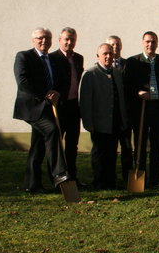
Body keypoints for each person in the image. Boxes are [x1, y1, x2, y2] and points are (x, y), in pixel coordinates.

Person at [13, 27, 70, 193]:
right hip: (31, 107)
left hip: (47, 107)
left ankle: (33, 184)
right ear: (33, 40)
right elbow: (23, 82)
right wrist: (45, 94)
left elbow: (62, 81)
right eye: (40, 38)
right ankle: (59, 173)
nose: (44, 41)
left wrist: (57, 92)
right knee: (52, 131)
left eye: (47, 38)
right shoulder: (24, 56)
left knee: (37, 145)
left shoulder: (52, 60)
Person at [125, 31, 159, 188]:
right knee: (139, 144)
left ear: (157, 43)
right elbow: (127, 84)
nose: (150, 44)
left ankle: (154, 179)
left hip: (158, 109)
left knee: (156, 146)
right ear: (142, 43)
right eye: (147, 41)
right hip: (140, 110)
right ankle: (140, 176)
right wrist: (138, 92)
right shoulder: (133, 62)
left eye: (153, 42)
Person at [79, 43, 129, 189]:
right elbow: (85, 101)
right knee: (100, 153)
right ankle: (99, 181)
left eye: (110, 54)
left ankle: (110, 180)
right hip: (98, 122)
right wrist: (88, 123)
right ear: (98, 56)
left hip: (115, 121)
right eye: (105, 54)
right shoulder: (90, 74)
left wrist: (124, 119)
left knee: (112, 152)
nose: (108, 57)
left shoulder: (117, 73)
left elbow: (121, 98)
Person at [49, 27, 84, 185]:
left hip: (73, 106)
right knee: (57, 143)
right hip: (58, 106)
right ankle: (57, 176)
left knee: (72, 143)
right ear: (59, 40)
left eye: (72, 40)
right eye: (66, 39)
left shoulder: (78, 58)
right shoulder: (52, 58)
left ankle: (72, 175)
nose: (69, 42)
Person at [107, 35, 134, 182]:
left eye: (117, 44)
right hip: (109, 115)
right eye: (111, 45)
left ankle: (127, 177)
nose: (115, 47)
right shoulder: (102, 67)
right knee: (110, 149)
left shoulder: (128, 64)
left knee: (126, 147)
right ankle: (109, 177)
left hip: (125, 113)